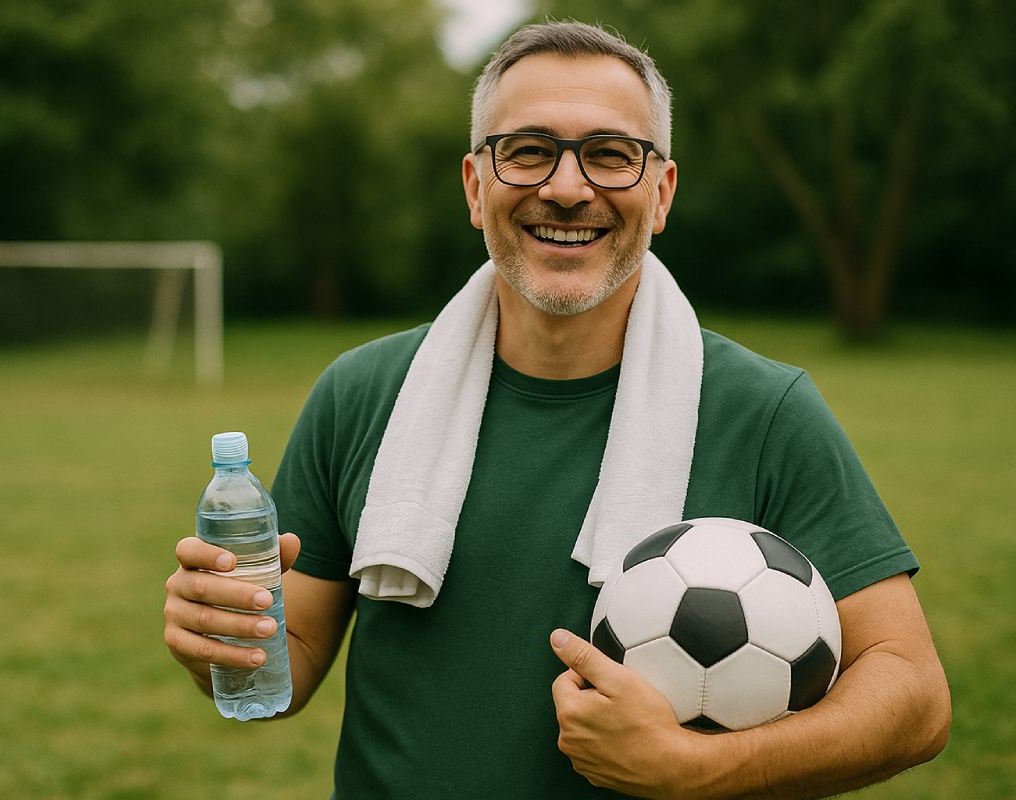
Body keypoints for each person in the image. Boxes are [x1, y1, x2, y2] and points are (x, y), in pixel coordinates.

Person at [163, 21, 950, 799]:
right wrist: (221, 639)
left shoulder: (765, 412)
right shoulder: (360, 393)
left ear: (661, 192)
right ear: (475, 186)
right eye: (528, 150)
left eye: (611, 154)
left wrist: (696, 771)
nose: (567, 189)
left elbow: (913, 696)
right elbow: (288, 663)